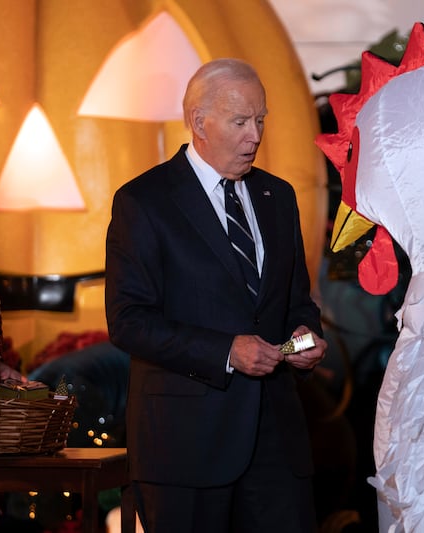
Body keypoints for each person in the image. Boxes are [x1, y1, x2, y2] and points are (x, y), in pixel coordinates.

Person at [104, 58, 328, 533]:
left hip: (277, 448)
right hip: (186, 451)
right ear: (199, 122)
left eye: (261, 120)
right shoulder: (143, 202)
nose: (256, 135)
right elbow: (128, 320)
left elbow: (295, 303)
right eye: (241, 121)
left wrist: (307, 337)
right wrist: (225, 352)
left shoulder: (279, 196)